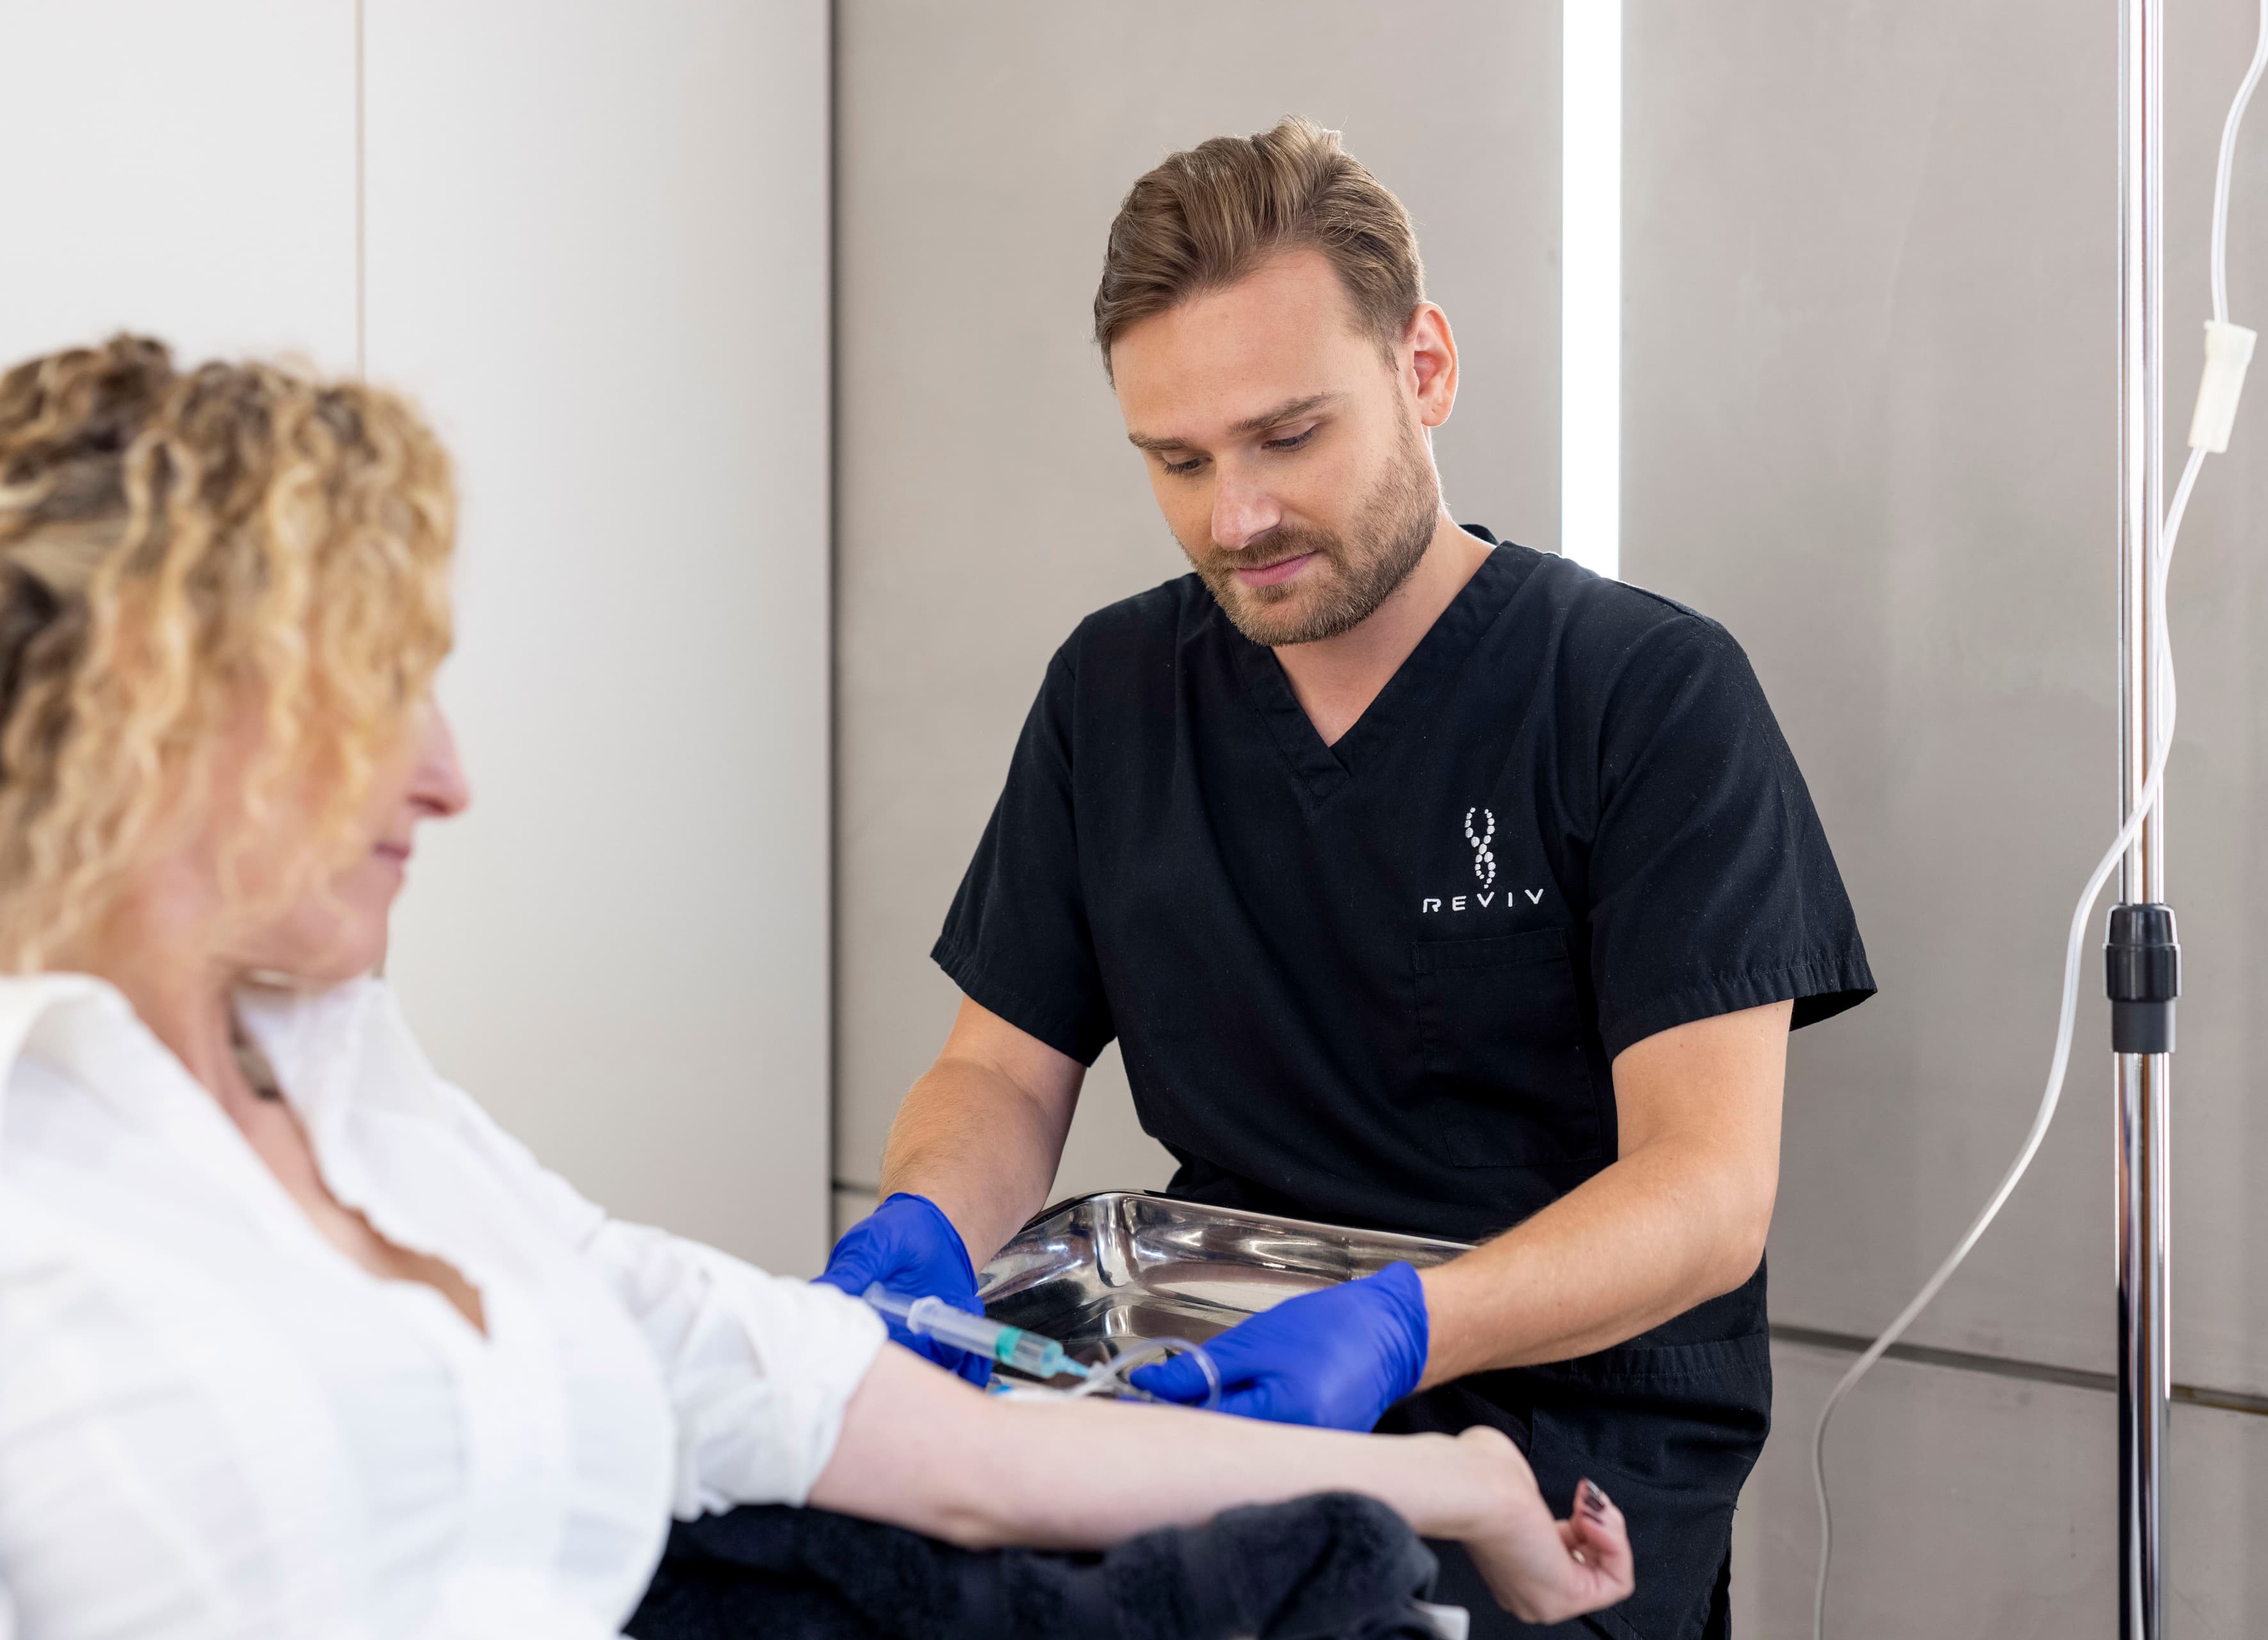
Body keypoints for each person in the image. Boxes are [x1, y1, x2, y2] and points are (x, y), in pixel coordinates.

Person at [0, 336, 1632, 1638]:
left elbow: (964, 1462)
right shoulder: (47, 1207)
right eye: (380, 697)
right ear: (162, 717)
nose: (450, 780)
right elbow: (998, 1075)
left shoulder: (386, 1128)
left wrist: (1463, 1483)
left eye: (1284, 436)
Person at [827, 118, 1876, 1639]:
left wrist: (1400, 1330)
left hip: (1570, 1433)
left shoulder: (1642, 695)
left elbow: (1708, 1194)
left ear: (1423, 368)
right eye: (1179, 461)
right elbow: (999, 1069)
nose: (1234, 517)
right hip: (1213, 1384)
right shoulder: (1114, 692)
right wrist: (919, 1231)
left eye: (1288, 437)